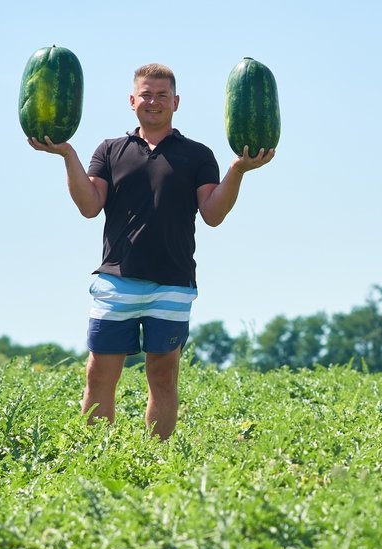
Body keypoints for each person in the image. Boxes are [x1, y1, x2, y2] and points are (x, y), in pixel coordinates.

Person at [28, 63, 274, 440]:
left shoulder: (197, 154)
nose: (153, 101)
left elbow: (212, 214)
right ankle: (96, 454)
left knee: (162, 373)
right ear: (132, 101)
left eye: (162, 95)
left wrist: (237, 171)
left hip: (172, 283)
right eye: (146, 94)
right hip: (116, 279)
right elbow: (89, 205)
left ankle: (155, 458)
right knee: (98, 373)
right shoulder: (110, 150)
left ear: (176, 102)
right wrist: (67, 155)